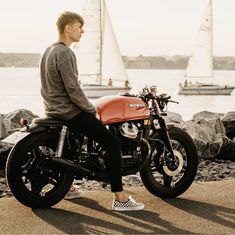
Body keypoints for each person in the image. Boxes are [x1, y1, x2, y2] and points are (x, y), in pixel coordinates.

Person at [39, 11, 144, 211]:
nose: (83, 31)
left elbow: (46, 86)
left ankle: (68, 187)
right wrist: (90, 109)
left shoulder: (48, 51)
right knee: (112, 143)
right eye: (79, 27)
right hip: (68, 112)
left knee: (74, 145)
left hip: (52, 111)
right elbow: (73, 89)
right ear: (67, 28)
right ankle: (120, 198)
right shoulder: (65, 53)